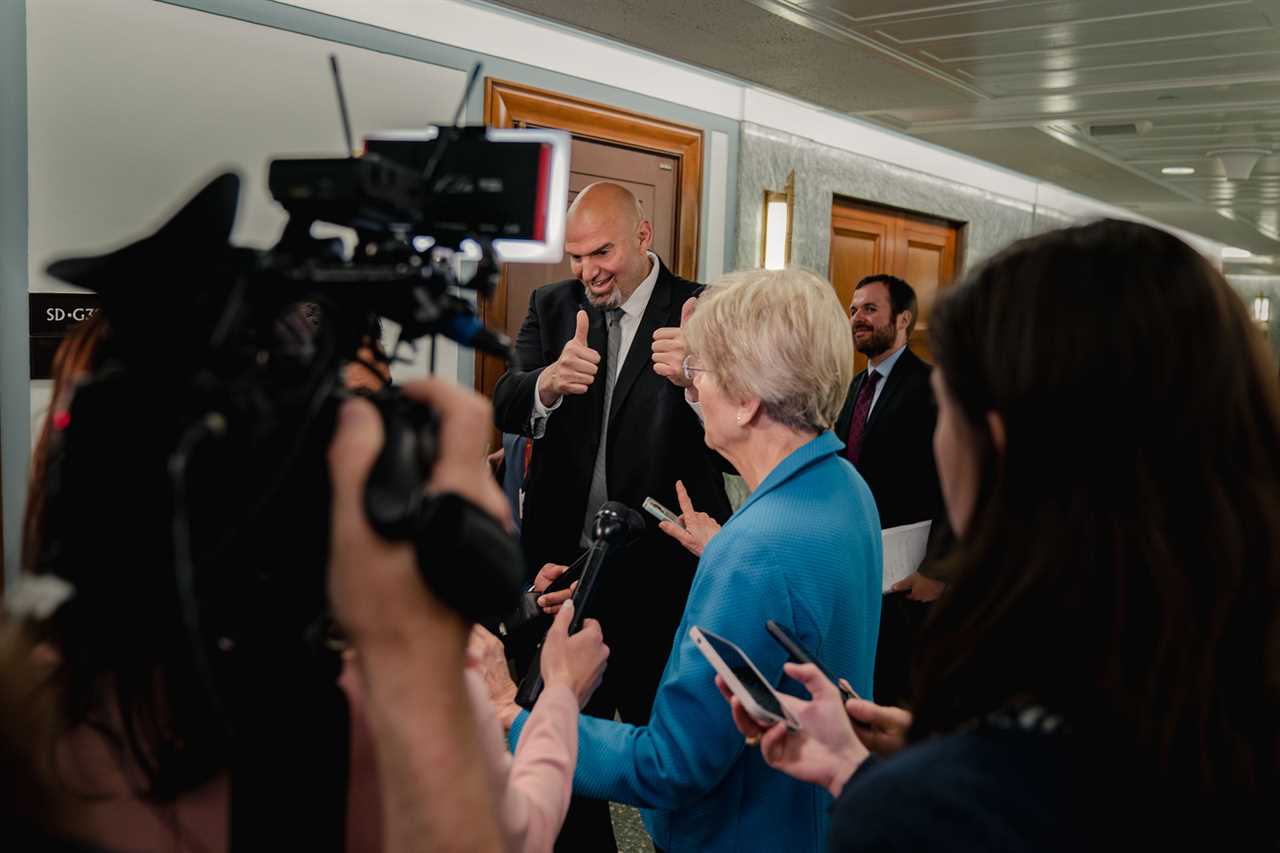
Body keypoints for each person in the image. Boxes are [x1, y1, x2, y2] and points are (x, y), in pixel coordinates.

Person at [720, 219, 1280, 850]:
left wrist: (914, 789)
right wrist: (894, 763)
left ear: (997, 446)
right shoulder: (1203, 681)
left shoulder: (949, 807)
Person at [483, 268, 882, 853]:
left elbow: (668, 766)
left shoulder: (752, 555)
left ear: (746, 401)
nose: (690, 390)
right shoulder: (844, 485)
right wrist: (726, 548)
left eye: (698, 373)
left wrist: (514, 717)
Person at [491, 182, 731, 847]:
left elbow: (744, 433)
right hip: (569, 576)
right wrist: (546, 383)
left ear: (643, 237)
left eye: (601, 251)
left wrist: (699, 381)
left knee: (670, 754)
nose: (586, 270)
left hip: (666, 572)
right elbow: (506, 400)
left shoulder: (703, 308)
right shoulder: (552, 304)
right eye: (574, 255)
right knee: (560, 747)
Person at [834, 274, 950, 706]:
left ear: (903, 319)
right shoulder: (853, 389)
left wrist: (938, 569)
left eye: (869, 309)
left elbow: (955, 489)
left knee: (897, 693)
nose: (857, 318)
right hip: (860, 568)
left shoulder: (932, 388)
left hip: (910, 577)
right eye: (853, 309)